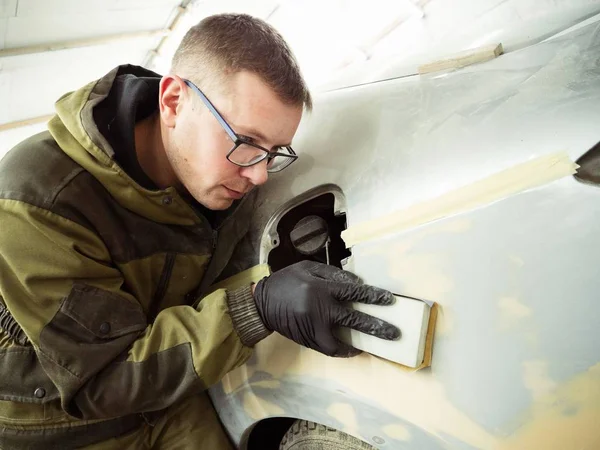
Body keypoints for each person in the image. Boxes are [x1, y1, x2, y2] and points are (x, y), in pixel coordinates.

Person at [0, 13, 399, 449]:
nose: (261, 175)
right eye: (246, 142)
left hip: (170, 390)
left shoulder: (215, 176)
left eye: (275, 151)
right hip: (61, 420)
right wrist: (257, 307)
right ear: (173, 102)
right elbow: (102, 382)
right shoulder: (38, 197)